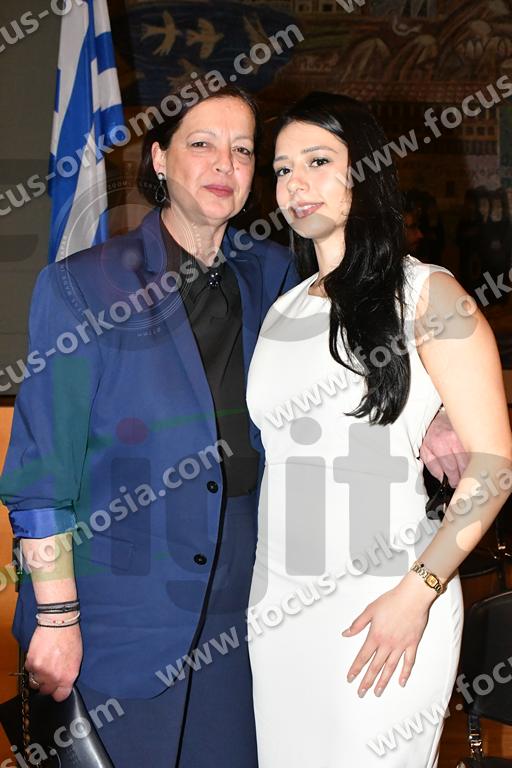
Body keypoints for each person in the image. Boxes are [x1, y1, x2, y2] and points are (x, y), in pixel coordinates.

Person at [0, 85, 463, 768]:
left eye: (244, 150)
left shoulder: (276, 275)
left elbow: (367, 331)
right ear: (159, 159)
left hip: (249, 624)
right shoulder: (83, 287)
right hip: (117, 626)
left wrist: (434, 409)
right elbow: (41, 478)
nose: (225, 163)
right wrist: (57, 617)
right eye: (202, 144)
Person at [246, 92, 512, 768]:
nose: (295, 184)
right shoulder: (282, 311)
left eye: (317, 161)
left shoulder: (429, 294)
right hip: (278, 609)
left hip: (389, 601)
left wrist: (417, 593)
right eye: (282, 169)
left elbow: (493, 467)